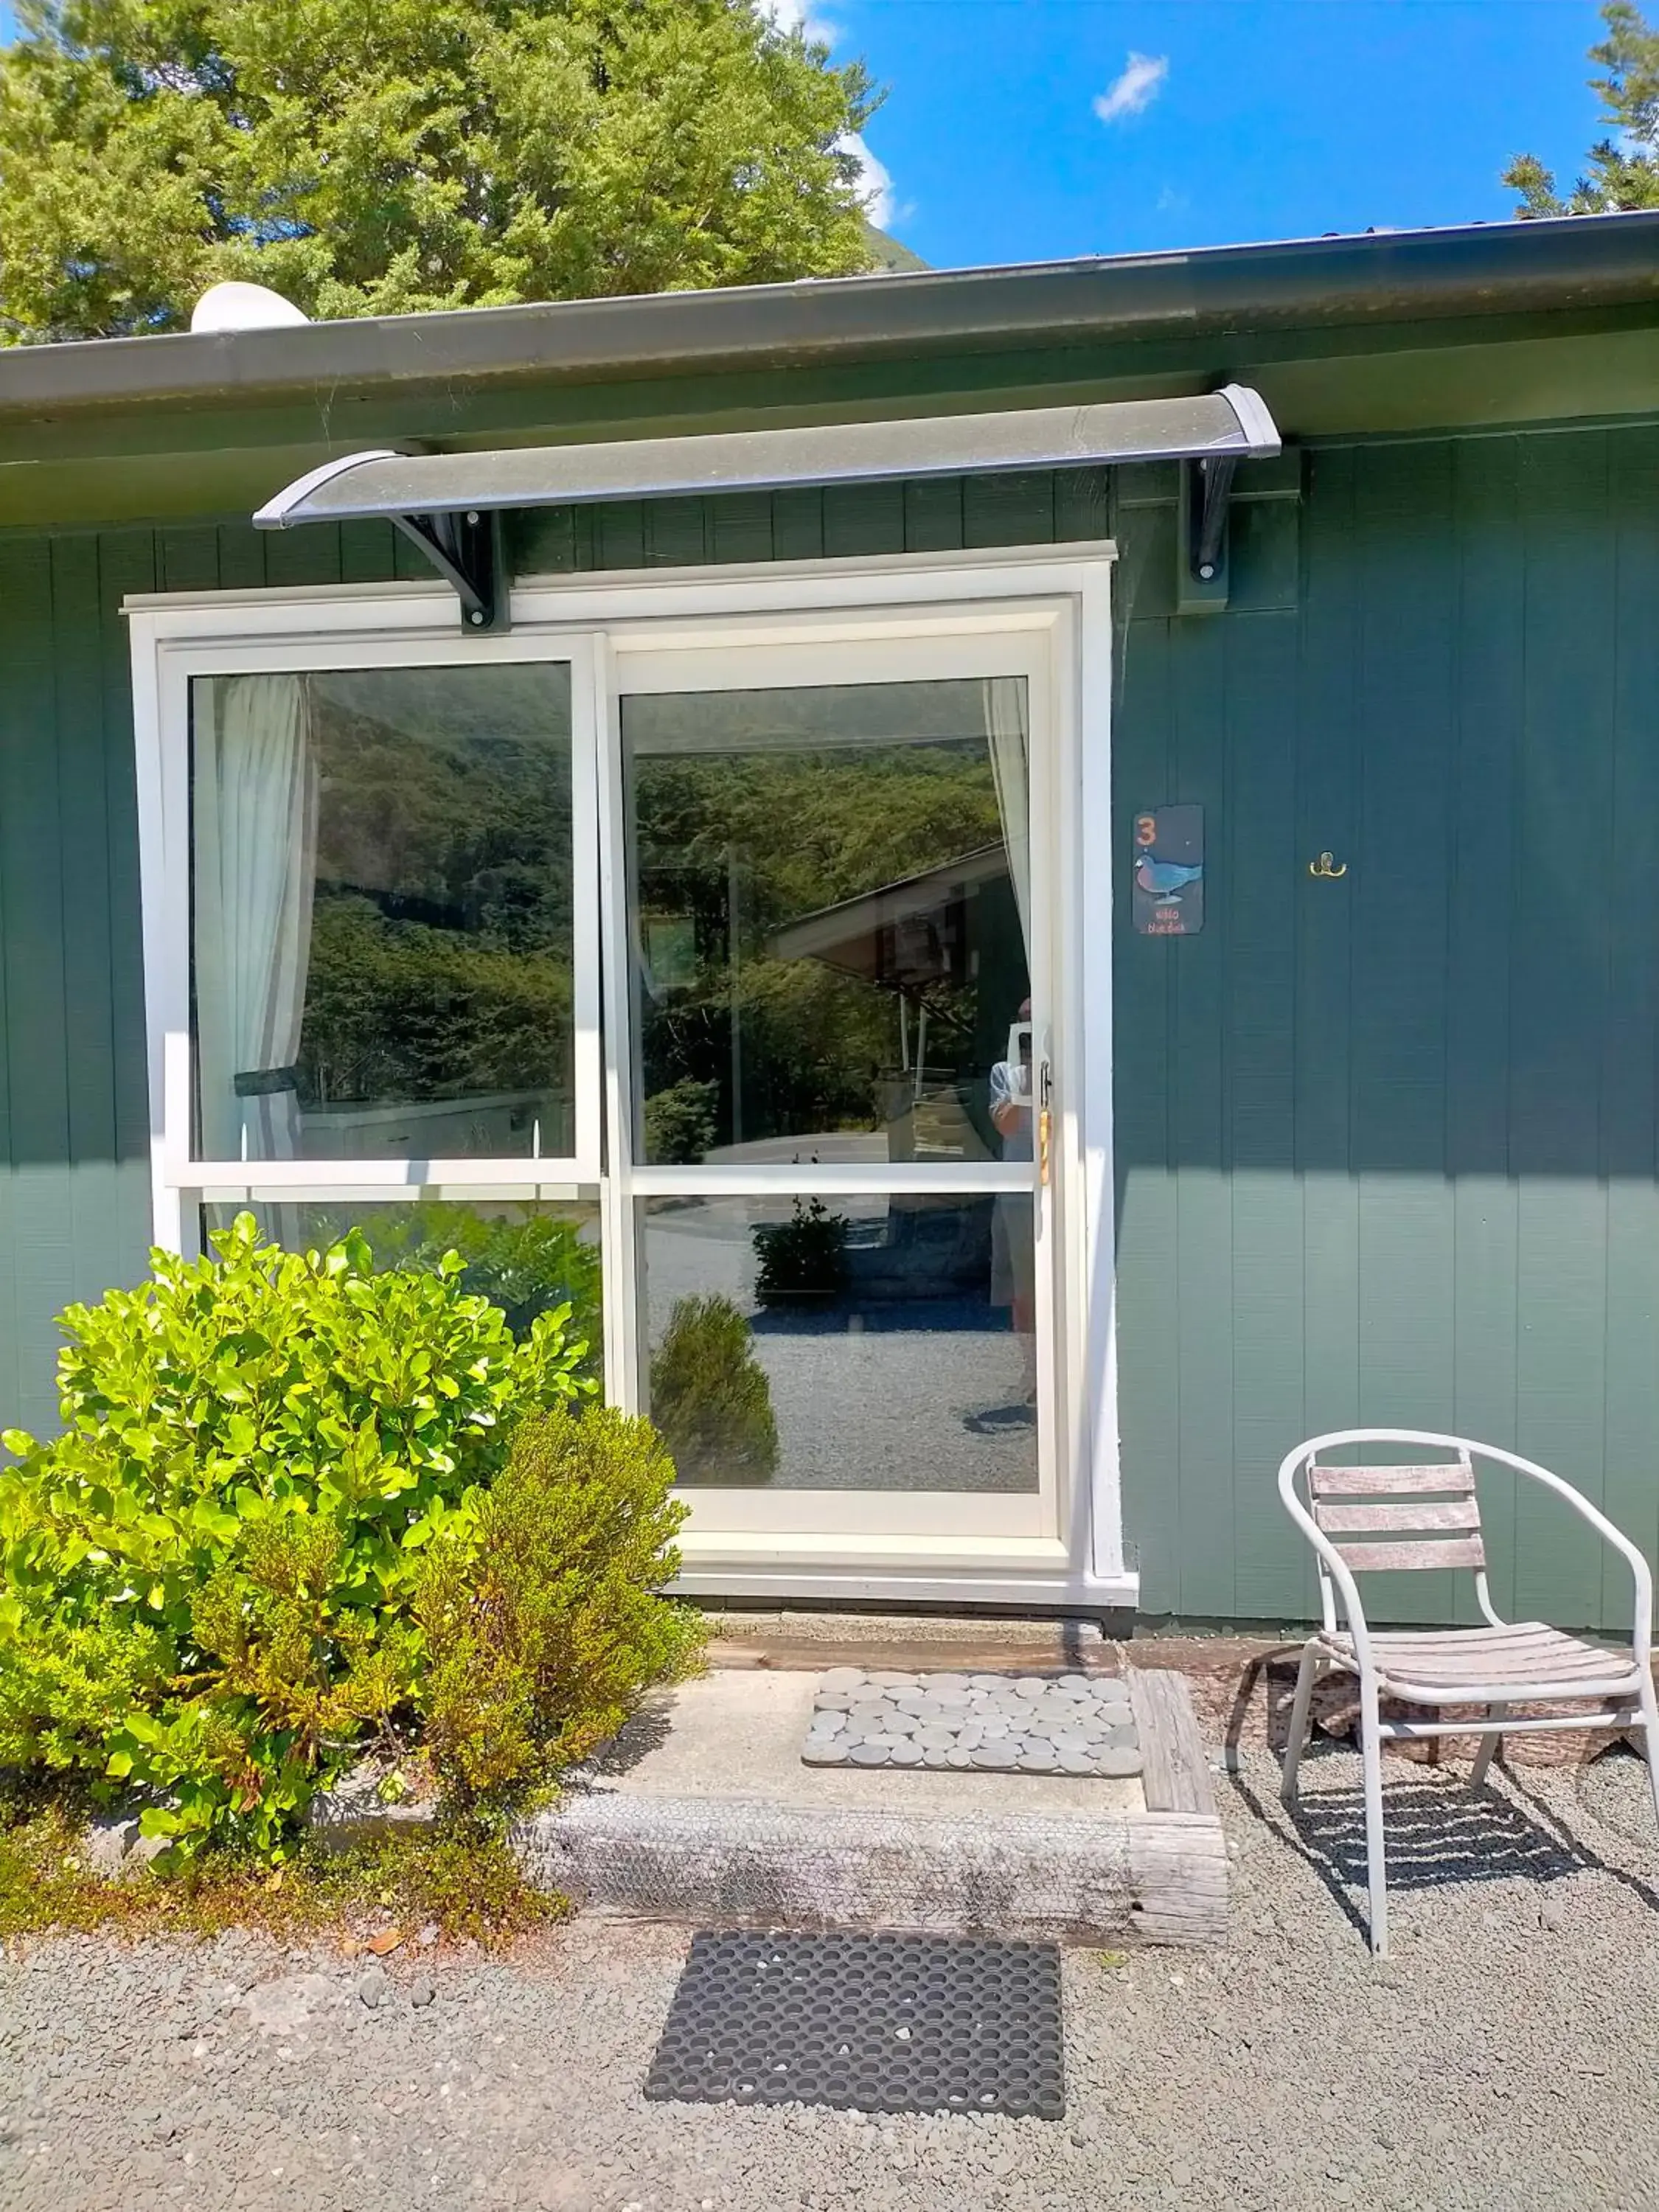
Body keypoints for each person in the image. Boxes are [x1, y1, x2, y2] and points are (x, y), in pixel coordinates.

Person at [988, 998, 1037, 1405]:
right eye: (1026, 1026)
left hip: (1062, 1189)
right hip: (1020, 1196)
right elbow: (1005, 1127)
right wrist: (1027, 1085)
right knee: (1024, 1290)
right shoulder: (1005, 1073)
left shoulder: (1075, 1064)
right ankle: (1033, 1371)